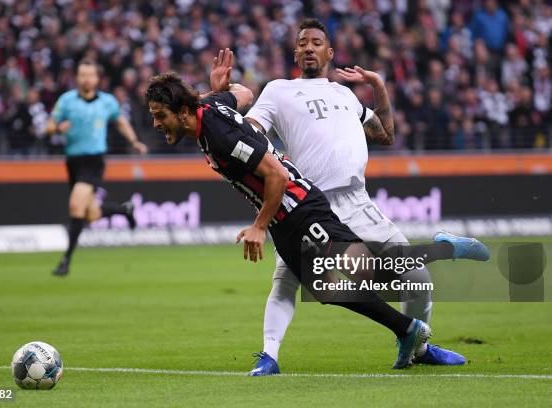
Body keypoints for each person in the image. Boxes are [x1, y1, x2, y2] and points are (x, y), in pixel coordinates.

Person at [144, 60, 489, 369]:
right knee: (326, 287)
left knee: (361, 270)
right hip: (284, 216)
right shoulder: (208, 108)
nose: (157, 124)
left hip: (299, 205)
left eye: (161, 115)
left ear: (184, 111)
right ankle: (406, 330)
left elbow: (276, 175)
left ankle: (442, 251)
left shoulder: (218, 134)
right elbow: (243, 93)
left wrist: (258, 227)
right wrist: (216, 89)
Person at [244, 19, 466, 375]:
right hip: (309, 205)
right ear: (296, 51)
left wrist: (378, 85)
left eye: (316, 42)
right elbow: (251, 131)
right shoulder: (278, 90)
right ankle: (269, 356)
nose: (308, 48)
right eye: (302, 43)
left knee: (418, 277)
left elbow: (385, 134)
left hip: (358, 202)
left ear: (329, 52)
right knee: (286, 280)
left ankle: (418, 347)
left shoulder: (345, 95)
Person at [46, 59, 148, 277]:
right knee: (90, 214)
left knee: (75, 207)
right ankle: (124, 209)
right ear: (77, 77)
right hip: (73, 162)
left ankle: (66, 260)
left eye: (90, 75)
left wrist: (134, 141)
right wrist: (57, 128)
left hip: (94, 161)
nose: (86, 79)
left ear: (97, 78)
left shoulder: (107, 102)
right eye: (82, 75)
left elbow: (120, 121)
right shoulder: (66, 101)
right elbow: (49, 126)